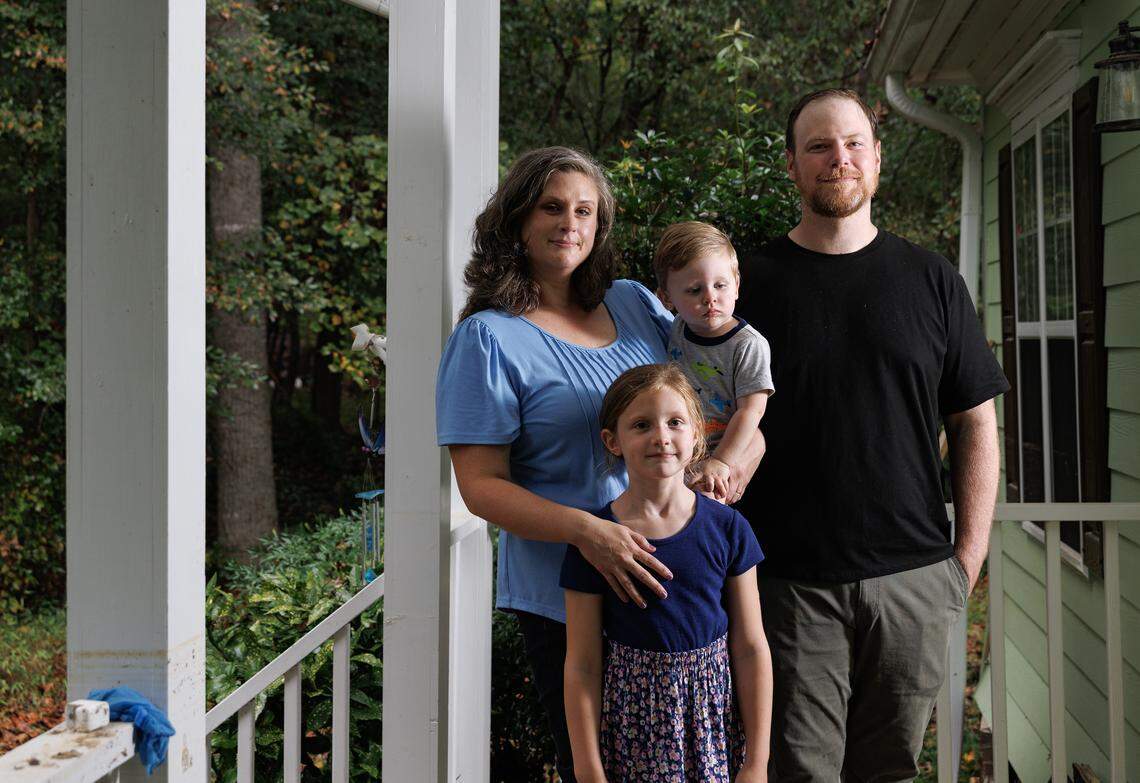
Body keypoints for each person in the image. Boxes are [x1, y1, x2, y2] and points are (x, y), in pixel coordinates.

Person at [435, 147, 766, 782]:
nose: (570, 223)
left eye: (585, 210)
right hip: (570, 598)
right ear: (516, 221)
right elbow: (479, 489)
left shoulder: (636, 302)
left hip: (676, 586)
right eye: (552, 207)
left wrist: (735, 459)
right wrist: (591, 533)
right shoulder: (488, 338)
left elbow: (714, 400)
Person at [734, 88, 1009, 780]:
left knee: (888, 771)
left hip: (914, 581)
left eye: (854, 143)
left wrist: (963, 564)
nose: (839, 158)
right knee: (799, 770)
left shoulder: (932, 280)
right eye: (820, 145)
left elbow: (975, 422)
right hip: (788, 584)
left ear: (878, 160)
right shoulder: (747, 286)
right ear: (792, 165)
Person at [560, 363, 772, 783]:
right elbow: (582, 664)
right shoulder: (595, 542)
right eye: (641, 425)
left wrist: (756, 763)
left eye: (675, 422)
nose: (661, 436)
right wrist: (588, 769)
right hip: (632, 732)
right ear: (613, 441)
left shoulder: (728, 529)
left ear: (695, 433)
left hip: (714, 725)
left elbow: (750, 647)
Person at [653, 221, 774, 502]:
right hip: (678, 449)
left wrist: (722, 461)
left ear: (736, 287)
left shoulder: (747, 345)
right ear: (666, 298)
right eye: (694, 290)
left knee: (707, 513)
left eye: (720, 285)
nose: (710, 297)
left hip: (724, 450)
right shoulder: (677, 328)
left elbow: (751, 412)